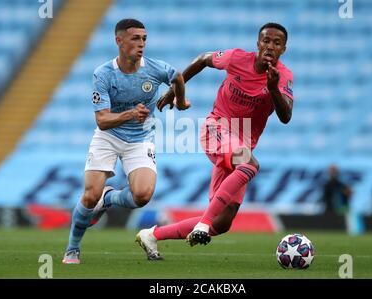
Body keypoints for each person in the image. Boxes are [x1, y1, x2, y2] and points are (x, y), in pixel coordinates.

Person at [136, 23, 293, 260]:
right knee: (250, 166)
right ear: (258, 44)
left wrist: (272, 89)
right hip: (216, 128)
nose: (270, 46)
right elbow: (202, 59)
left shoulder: (283, 77)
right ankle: (201, 225)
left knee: (222, 222)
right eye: (266, 41)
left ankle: (152, 235)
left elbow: (286, 116)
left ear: (284, 48)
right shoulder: (236, 58)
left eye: (277, 42)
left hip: (242, 143)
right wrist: (175, 91)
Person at [62, 19, 190, 264]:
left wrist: (180, 100)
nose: (141, 44)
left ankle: (108, 198)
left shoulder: (155, 68)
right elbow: (102, 121)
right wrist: (131, 114)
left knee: (142, 196)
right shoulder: (103, 74)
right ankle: (72, 248)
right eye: (135, 38)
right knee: (89, 196)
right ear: (119, 41)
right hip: (108, 137)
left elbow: (178, 77)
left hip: (140, 139)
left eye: (144, 39)